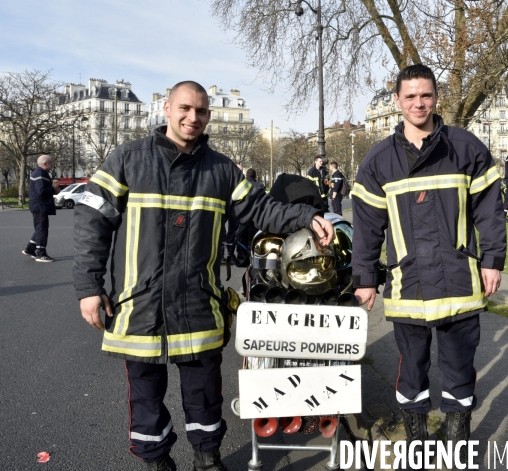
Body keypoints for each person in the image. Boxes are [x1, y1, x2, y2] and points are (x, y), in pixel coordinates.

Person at [73, 81, 334, 471]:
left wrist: (307, 216)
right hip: (140, 304)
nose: (192, 117)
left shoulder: (222, 169)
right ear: (166, 108)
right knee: (145, 397)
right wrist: (89, 288)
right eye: (185, 108)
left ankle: (207, 459)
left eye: (201, 111)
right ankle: (156, 461)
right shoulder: (128, 158)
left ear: (208, 115)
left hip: (198, 303)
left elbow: (261, 210)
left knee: (205, 395)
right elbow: (92, 222)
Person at [351, 64, 505, 464]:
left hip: (459, 281)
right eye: (410, 97)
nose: (419, 103)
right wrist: (365, 278)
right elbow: (367, 227)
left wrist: (492, 260)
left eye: (426, 95)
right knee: (412, 374)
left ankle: (458, 445)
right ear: (398, 101)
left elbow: (490, 209)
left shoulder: (465, 147)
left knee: (459, 370)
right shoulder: (378, 161)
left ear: (436, 98)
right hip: (408, 286)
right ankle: (419, 445)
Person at [22, 155, 60, 263]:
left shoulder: (40, 173)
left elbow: (42, 190)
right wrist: (53, 188)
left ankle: (30, 249)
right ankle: (40, 253)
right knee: (42, 229)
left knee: (40, 228)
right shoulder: (39, 173)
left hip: (38, 205)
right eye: (50, 162)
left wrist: (53, 190)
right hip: (39, 206)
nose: (52, 164)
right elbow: (41, 191)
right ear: (44, 164)